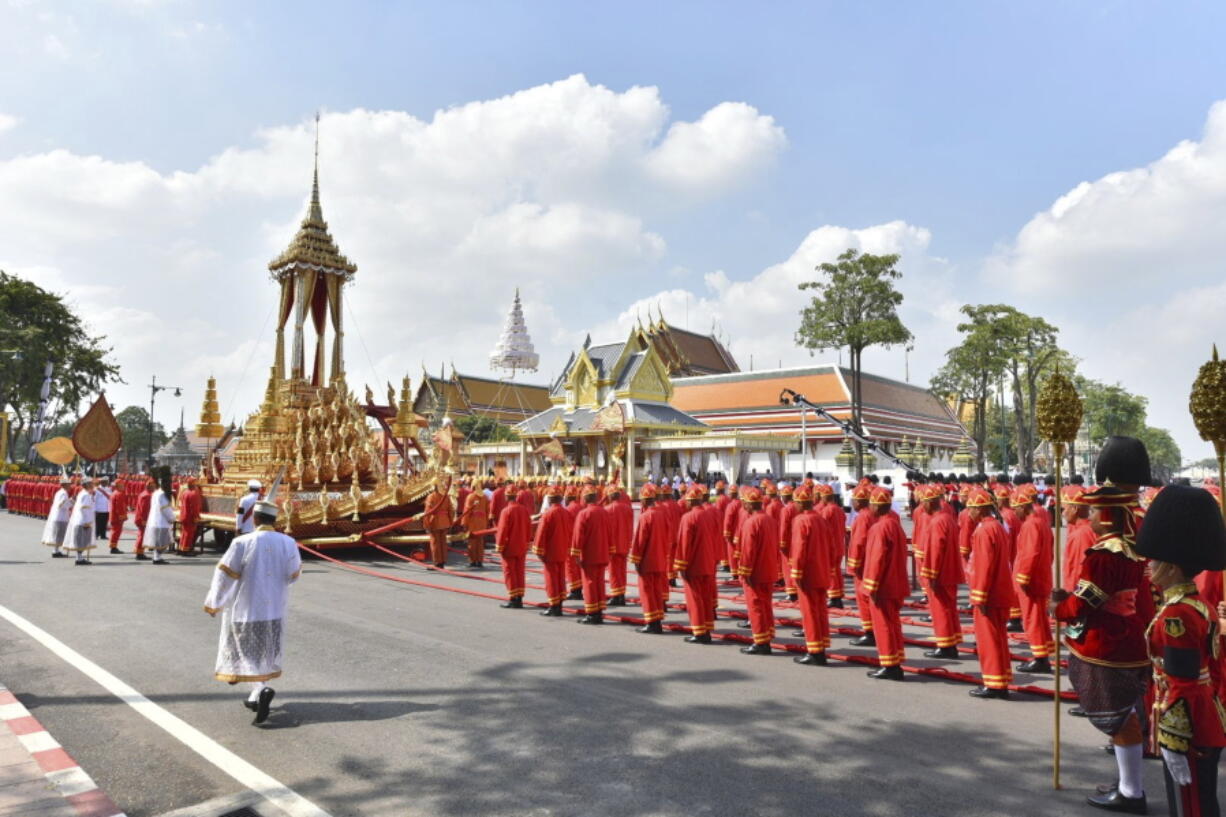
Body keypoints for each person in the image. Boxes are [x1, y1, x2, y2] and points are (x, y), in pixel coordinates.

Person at [1053, 485, 1152, 813]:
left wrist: (1058, 607)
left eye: (1095, 511)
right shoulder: (1132, 549)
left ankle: (1131, 791)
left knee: (1122, 718)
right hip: (1129, 637)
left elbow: (1085, 602)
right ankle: (1127, 781)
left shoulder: (1104, 556)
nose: (1090, 516)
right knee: (1128, 714)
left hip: (1108, 642)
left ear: (1108, 517)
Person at [1134, 486, 1226, 817]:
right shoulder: (1196, 604)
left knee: (1191, 808)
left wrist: (1172, 739)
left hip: (1187, 726)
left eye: (1155, 561)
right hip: (1203, 716)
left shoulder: (1178, 614)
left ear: (1172, 567)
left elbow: (1183, 680)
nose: (1149, 566)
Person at [203, 498, 301, 726]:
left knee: (246, 653)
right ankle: (255, 695)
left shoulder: (242, 542)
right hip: (274, 608)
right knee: (264, 652)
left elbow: (224, 575)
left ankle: (262, 689)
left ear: (255, 519)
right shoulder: (288, 542)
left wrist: (215, 602)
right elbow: (293, 574)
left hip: (247, 609)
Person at [965, 487, 1014, 699]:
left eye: (971, 508)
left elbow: (984, 566)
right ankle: (1000, 679)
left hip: (990, 593)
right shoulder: (998, 527)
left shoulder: (984, 530)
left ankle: (994, 683)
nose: (969, 513)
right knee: (998, 638)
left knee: (989, 639)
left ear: (980, 509)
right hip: (1000, 589)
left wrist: (979, 595)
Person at [862, 486, 909, 680]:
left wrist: (870, 586)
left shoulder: (879, 527)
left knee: (883, 625)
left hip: (884, 585)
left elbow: (876, 559)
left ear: (876, 505)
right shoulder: (895, 524)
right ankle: (895, 660)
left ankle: (890, 665)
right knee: (892, 623)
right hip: (895, 581)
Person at [917, 484, 964, 659]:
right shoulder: (947, 518)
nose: (922, 506)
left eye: (923, 503)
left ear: (930, 503)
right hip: (950, 571)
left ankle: (945, 645)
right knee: (949, 608)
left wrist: (931, 574)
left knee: (940, 609)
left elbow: (935, 551)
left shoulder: (937, 522)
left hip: (941, 573)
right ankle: (951, 641)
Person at [1012, 486, 1055, 673]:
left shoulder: (1030, 525)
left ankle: (1040, 657)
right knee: (1039, 618)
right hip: (1040, 576)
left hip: (1031, 580)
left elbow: (1030, 554)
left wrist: (1023, 578)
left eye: (1016, 509)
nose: (1015, 513)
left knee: (1032, 619)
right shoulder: (1041, 522)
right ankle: (1042, 653)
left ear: (1023, 507)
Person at [789, 487, 831, 665]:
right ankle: (821, 645)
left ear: (799, 502)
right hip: (821, 571)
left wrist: (796, 573)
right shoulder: (819, 518)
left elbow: (799, 550)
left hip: (808, 573)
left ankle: (814, 650)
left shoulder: (801, 521)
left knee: (809, 612)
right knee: (820, 610)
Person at [736, 487, 780, 655]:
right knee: (765, 605)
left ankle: (761, 642)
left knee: (755, 606)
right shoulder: (769, 519)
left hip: (756, 572)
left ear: (748, 504)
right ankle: (767, 635)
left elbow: (748, 551)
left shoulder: (751, 522)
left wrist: (745, 572)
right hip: (768, 569)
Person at [674, 485, 719, 644]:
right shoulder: (708, 514)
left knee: (695, 599)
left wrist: (681, 565)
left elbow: (684, 545)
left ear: (689, 501)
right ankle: (706, 629)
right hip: (708, 562)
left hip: (694, 565)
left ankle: (699, 631)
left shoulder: (688, 518)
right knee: (706, 598)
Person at [631, 484, 670, 634]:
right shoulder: (662, 513)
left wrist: (636, 559)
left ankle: (651, 622)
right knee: (657, 591)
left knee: (647, 591)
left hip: (648, 560)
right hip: (660, 558)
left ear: (645, 501)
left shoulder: (645, 516)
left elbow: (640, 541)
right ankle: (657, 619)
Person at [571, 484, 611, 625]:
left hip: (589, 554)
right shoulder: (604, 512)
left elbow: (578, 536)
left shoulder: (584, 514)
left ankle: (592, 613)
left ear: (585, 498)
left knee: (589, 583)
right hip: (602, 553)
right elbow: (610, 534)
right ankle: (599, 611)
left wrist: (575, 553)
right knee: (599, 583)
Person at [533, 485, 573, 617]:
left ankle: (553, 606)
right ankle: (559, 604)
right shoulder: (567, 513)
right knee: (560, 578)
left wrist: (539, 551)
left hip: (550, 552)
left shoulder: (548, 514)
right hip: (563, 551)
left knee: (551, 579)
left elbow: (541, 534)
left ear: (549, 500)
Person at [846, 485, 878, 643]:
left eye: (853, 500)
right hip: (870, 561)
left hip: (863, 565)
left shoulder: (862, 517)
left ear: (859, 501)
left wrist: (853, 565)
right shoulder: (871, 515)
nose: (852, 503)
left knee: (863, 598)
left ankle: (870, 631)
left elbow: (859, 543)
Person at [495, 483, 532, 609]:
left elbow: (502, 530)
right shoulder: (524, 510)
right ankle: (519, 597)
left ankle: (513, 598)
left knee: (510, 572)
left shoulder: (506, 511)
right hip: (521, 545)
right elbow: (528, 528)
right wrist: (527, 543)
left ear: (507, 496)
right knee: (520, 571)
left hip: (510, 547)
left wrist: (499, 546)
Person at [604, 482, 633, 607]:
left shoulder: (607, 510)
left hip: (613, 545)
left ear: (610, 496)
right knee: (622, 570)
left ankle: (616, 596)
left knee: (614, 571)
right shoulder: (627, 508)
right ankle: (621, 594)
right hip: (624, 543)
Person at [65, 477, 97, 565]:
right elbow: (84, 509)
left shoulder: (84, 493)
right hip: (83, 521)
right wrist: (87, 521)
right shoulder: (85, 495)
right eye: (91, 483)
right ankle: (79, 558)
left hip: (82, 520)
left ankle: (79, 557)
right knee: (82, 541)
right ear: (87, 485)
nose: (92, 485)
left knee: (82, 540)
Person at [422, 481, 454, 570]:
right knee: (443, 542)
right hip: (445, 522)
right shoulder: (446, 497)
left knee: (435, 543)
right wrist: (450, 522)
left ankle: (437, 562)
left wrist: (426, 524)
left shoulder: (431, 496)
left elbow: (427, 512)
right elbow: (451, 511)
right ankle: (443, 561)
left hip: (435, 522)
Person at [144, 475, 175, 564]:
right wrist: (171, 517)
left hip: (156, 520)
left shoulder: (156, 493)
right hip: (161, 521)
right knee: (162, 541)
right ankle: (157, 558)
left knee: (158, 541)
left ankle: (157, 557)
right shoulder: (162, 494)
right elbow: (165, 508)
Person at [41, 477, 73, 558]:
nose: (70, 486)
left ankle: (56, 550)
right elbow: (61, 504)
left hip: (59, 516)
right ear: (65, 485)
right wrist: (71, 502)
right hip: (60, 516)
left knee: (58, 534)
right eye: (69, 484)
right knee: (58, 534)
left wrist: (69, 501)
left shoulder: (60, 492)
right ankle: (55, 551)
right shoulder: (63, 493)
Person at [459, 486, 490, 569]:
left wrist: (464, 523)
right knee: (480, 543)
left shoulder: (470, 497)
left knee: (472, 543)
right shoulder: (485, 497)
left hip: (472, 523)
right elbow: (488, 511)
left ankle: (473, 561)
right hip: (482, 523)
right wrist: (486, 523)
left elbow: (467, 511)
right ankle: (479, 561)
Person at [178, 477, 203, 555]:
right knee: (189, 534)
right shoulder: (193, 493)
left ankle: (181, 548)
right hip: (190, 517)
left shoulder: (185, 492)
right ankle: (186, 550)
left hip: (184, 515)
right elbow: (195, 507)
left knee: (184, 533)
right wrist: (196, 517)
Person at [133, 478, 154, 560]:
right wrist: (145, 520)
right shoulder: (147, 496)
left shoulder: (144, 494)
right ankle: (139, 553)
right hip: (143, 519)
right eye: (152, 486)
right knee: (142, 536)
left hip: (141, 518)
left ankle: (140, 551)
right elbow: (144, 509)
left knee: (141, 535)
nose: (153, 488)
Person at [107, 478, 129, 554]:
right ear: (118, 486)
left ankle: (113, 546)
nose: (123, 487)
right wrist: (122, 517)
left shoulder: (114, 493)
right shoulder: (119, 494)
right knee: (116, 532)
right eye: (122, 485)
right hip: (117, 517)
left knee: (115, 531)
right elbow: (119, 507)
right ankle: (113, 547)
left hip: (114, 516)